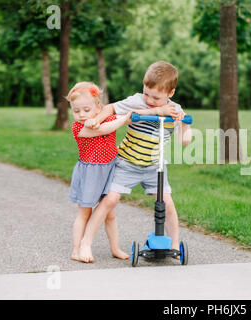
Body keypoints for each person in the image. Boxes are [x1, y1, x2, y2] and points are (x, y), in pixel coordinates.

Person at [80, 61, 192, 263]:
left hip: (154, 167)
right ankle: (85, 243)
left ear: (171, 93)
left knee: (167, 203)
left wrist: (185, 127)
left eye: (156, 97)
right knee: (110, 200)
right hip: (127, 163)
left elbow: (184, 138)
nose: (149, 100)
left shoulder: (175, 110)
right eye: (146, 93)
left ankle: (174, 245)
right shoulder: (137, 101)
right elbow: (111, 108)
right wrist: (98, 119)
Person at [67, 81, 132, 263]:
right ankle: (76, 249)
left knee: (109, 213)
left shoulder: (108, 118)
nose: (81, 115)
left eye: (86, 110)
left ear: (98, 106)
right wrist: (119, 120)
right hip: (90, 173)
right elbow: (104, 130)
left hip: (109, 170)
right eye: (76, 110)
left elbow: (118, 119)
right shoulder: (78, 128)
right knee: (84, 212)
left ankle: (115, 248)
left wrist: (124, 117)